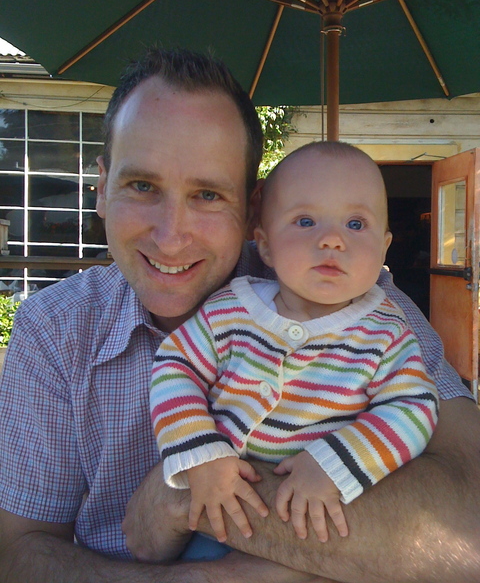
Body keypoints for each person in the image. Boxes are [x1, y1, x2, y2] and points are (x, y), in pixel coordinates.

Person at [0, 48, 478, 583]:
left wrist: (184, 497)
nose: (171, 236)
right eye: (142, 186)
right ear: (102, 190)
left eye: (207, 194)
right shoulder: (54, 329)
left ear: (251, 210)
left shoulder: (358, 301)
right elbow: (17, 554)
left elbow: (472, 517)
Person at [150, 142, 438, 548]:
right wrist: (201, 453)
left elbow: (414, 408)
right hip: (220, 509)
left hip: (319, 521)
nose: (332, 240)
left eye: (356, 224)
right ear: (265, 245)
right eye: (305, 221)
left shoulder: (386, 332)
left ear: (383, 248)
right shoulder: (231, 309)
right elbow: (175, 365)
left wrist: (333, 464)